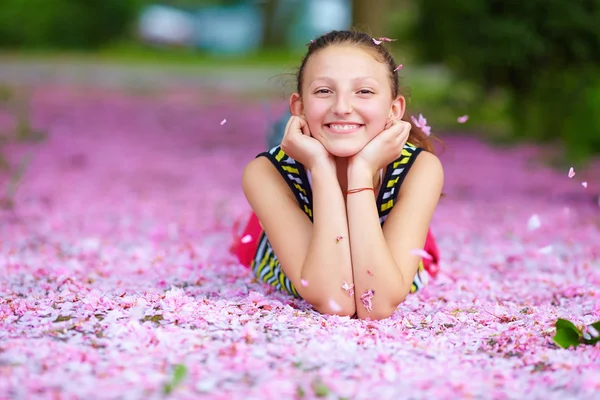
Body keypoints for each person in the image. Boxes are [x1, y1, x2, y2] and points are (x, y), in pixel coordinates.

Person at [232, 30, 444, 320]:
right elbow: (337, 302)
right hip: (290, 231)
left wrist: (361, 171)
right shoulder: (266, 174)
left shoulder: (420, 169)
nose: (342, 107)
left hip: (391, 245)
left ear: (394, 110)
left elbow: (376, 305)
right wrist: (320, 167)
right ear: (299, 108)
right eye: (323, 91)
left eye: (364, 91)